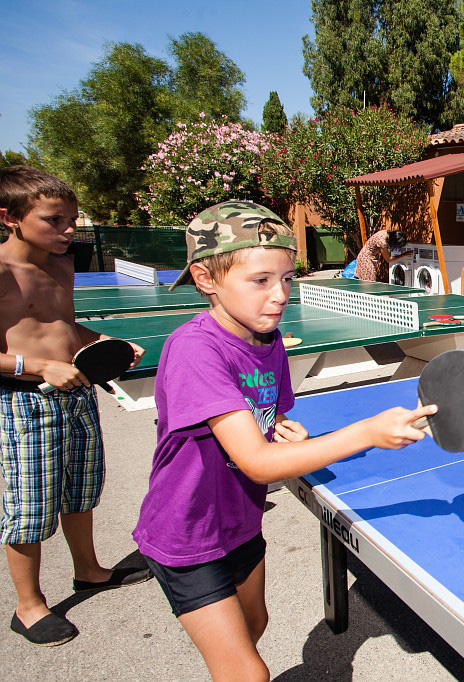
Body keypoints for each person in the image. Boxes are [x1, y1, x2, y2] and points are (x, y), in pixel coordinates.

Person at [132, 201, 435, 680]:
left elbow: (265, 417)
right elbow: (256, 462)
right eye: (260, 280)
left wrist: (278, 429)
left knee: (255, 624)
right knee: (247, 672)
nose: (279, 295)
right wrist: (366, 433)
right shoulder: (195, 349)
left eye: (287, 279)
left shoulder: (268, 340)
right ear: (206, 279)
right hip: (187, 530)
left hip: (240, 519)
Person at [0, 166, 149, 647]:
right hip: (26, 400)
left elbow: (62, 326)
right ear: (9, 218)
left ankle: (89, 570)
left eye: (72, 219)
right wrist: (37, 366)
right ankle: (28, 607)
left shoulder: (61, 265)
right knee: (29, 506)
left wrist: (102, 340)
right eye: (54, 220)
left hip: (78, 391)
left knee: (80, 490)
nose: (68, 230)